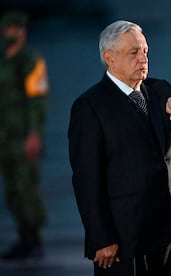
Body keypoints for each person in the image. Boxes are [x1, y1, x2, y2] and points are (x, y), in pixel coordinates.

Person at [68, 20, 171, 276]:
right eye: (134, 52)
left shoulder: (162, 91)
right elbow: (87, 179)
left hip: (165, 230)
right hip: (121, 239)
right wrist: (101, 237)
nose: (143, 58)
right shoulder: (90, 106)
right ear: (109, 58)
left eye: (145, 51)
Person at [0, 11, 49, 260]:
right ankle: (23, 238)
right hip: (4, 138)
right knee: (12, 191)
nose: (10, 34)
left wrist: (33, 134)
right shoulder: (3, 62)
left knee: (27, 188)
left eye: (14, 29)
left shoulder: (30, 61)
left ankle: (34, 240)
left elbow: (37, 101)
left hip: (23, 136)